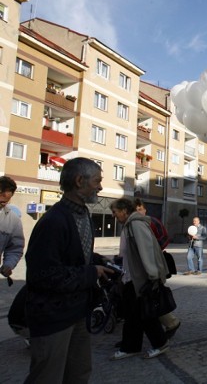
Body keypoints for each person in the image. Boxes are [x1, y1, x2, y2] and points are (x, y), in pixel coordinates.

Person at [24, 157, 114, 383]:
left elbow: (75, 255)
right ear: (79, 180)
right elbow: (42, 275)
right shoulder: (54, 221)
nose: (100, 187)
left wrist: (100, 261)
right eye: (97, 181)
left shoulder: (82, 214)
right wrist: (92, 273)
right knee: (47, 377)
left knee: (79, 373)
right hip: (53, 317)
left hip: (77, 311)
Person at [110, 198, 170, 360]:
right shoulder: (130, 225)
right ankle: (131, 346)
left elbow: (147, 250)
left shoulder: (135, 224)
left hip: (140, 278)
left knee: (144, 313)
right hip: (131, 277)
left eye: (115, 212)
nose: (114, 215)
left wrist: (152, 276)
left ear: (124, 210)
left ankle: (159, 343)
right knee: (133, 314)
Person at [133, 199, 181, 339]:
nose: (138, 211)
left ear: (145, 210)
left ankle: (170, 321)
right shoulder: (134, 224)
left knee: (152, 296)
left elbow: (165, 237)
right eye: (136, 209)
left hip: (152, 262)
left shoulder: (152, 221)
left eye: (140, 209)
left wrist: (154, 250)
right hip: (139, 263)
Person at [0, 176, 25, 285]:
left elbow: (15, 248)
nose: (1, 203)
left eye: (4, 202)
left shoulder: (13, 220)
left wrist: (8, 264)